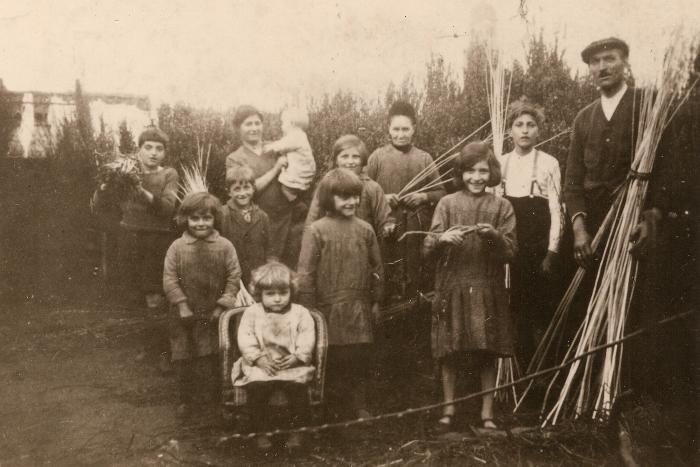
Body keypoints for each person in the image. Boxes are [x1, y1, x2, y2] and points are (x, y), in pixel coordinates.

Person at [423, 142, 516, 432]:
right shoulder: (447, 204)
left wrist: (495, 238)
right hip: (453, 285)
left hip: (486, 287)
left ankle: (487, 413)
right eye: (470, 171)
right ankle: (448, 410)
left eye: (482, 171)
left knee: (486, 349)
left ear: (492, 174)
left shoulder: (502, 206)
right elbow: (426, 248)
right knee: (449, 350)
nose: (476, 177)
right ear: (460, 173)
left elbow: (511, 251)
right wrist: (442, 239)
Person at [563, 37, 660, 268]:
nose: (602, 67)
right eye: (595, 62)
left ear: (625, 63)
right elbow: (573, 181)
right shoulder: (584, 118)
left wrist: (653, 216)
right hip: (593, 229)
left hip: (636, 220)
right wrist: (579, 230)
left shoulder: (648, 103)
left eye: (610, 58)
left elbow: (667, 167)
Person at [297, 169, 384, 420]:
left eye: (355, 196)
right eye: (343, 197)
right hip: (326, 308)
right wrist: (309, 309)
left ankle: (359, 406)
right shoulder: (316, 230)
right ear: (328, 198)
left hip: (358, 307)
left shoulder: (365, 229)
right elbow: (305, 272)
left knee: (358, 357)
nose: (351, 202)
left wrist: (377, 301)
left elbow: (377, 268)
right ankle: (327, 408)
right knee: (329, 358)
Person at [93, 126, 179, 370]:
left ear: (164, 153)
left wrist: (140, 190)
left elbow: (167, 209)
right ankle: (147, 347)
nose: (153, 153)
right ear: (139, 150)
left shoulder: (168, 175)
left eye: (159, 149)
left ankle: (163, 351)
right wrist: (104, 185)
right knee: (137, 297)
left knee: (156, 297)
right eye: (148, 148)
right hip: (129, 240)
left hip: (156, 241)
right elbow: (101, 205)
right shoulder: (124, 171)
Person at [496, 98, 563, 369]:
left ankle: (545, 368)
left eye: (531, 125)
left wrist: (552, 252)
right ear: (510, 130)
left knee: (541, 310)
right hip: (510, 247)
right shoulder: (499, 164)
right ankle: (520, 370)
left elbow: (556, 211)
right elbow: (494, 210)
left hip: (538, 248)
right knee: (516, 310)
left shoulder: (549, 163)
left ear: (539, 130)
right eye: (518, 125)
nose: (524, 130)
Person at [163, 192, 241, 418]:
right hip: (182, 313)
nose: (200, 223)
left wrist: (221, 306)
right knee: (183, 356)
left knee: (209, 357)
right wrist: (182, 304)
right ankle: (185, 400)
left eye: (206, 218)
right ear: (185, 219)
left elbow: (234, 277)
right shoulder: (177, 247)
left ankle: (210, 401)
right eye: (195, 218)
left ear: (215, 218)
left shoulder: (225, 246)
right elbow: (169, 278)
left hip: (212, 312)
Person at [231, 261, 316, 451]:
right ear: (260, 294)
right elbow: (245, 337)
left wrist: (298, 356)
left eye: (283, 293)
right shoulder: (252, 313)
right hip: (262, 365)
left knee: (298, 393)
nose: (277, 299)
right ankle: (261, 433)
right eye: (270, 294)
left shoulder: (301, 313)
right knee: (257, 391)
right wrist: (258, 358)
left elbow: (307, 336)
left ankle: (296, 433)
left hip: (291, 365)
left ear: (291, 292)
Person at [366, 100, 446, 297]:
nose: (400, 134)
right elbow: (363, 190)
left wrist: (423, 196)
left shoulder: (424, 158)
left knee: (414, 277)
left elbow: (441, 193)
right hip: (386, 227)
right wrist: (382, 197)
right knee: (386, 272)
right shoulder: (377, 157)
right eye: (396, 129)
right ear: (388, 128)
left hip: (415, 229)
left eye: (405, 129)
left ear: (414, 129)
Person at [225, 105, 305, 268]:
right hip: (259, 223)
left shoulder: (277, 147)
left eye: (257, 123)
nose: (254, 128)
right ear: (238, 128)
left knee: (290, 269)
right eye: (248, 124)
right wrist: (276, 169)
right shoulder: (235, 159)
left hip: (287, 219)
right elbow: (247, 191)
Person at [305, 134, 395, 236]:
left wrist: (388, 226)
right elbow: (312, 219)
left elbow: (384, 217)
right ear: (336, 160)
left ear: (363, 160)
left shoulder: (372, 188)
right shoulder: (327, 185)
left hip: (362, 245)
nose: (350, 162)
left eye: (356, 157)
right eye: (344, 156)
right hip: (331, 244)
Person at [220, 165, 271, 287]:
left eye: (246, 187)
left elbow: (269, 247)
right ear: (229, 192)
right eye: (237, 189)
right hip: (231, 275)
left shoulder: (262, 216)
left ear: (253, 188)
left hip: (257, 275)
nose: (242, 193)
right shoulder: (222, 214)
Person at [263, 107, 316, 202]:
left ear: (291, 124)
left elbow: (281, 145)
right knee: (297, 190)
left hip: (298, 175)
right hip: (305, 173)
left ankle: (296, 204)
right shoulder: (301, 135)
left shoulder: (295, 136)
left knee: (285, 189)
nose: (281, 126)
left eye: (283, 123)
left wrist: (268, 147)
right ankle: (299, 200)